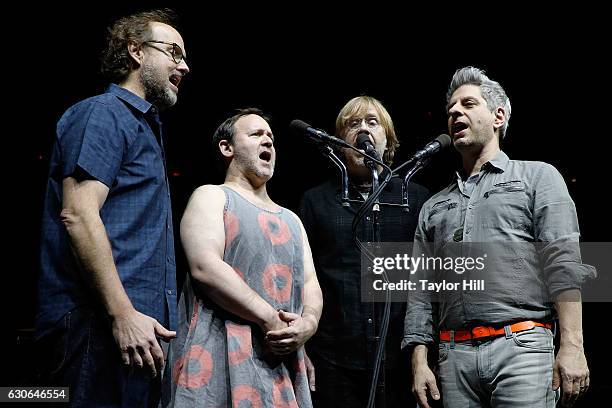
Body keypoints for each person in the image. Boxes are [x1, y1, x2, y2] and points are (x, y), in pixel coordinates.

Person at [403, 66, 596, 408]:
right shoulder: (434, 206)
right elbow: (420, 291)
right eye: (450, 110)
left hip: (522, 349)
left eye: (468, 103)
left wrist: (573, 346)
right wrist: (419, 363)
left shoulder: (538, 177)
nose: (455, 113)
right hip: (453, 358)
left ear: (498, 115)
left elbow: (563, 264)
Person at [36, 9, 189, 406]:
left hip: (140, 333)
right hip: (98, 326)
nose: (184, 65)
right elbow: (78, 214)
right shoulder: (103, 113)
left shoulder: (146, 130)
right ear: (136, 51)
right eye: (173, 52)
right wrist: (122, 314)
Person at [165, 109, 323, 407]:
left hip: (278, 364)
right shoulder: (212, 196)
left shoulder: (291, 219)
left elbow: (311, 284)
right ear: (227, 148)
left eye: (271, 138)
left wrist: (309, 324)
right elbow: (205, 267)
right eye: (256, 135)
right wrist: (268, 318)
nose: (268, 142)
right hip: (216, 355)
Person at [300, 96, 429, 407]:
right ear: (339, 142)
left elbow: (428, 286)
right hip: (333, 360)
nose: (363, 130)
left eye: (373, 123)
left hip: (400, 361)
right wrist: (300, 348)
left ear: (388, 140)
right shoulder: (315, 202)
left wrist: (423, 356)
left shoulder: (417, 198)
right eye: (352, 124)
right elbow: (297, 278)